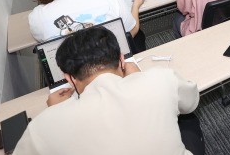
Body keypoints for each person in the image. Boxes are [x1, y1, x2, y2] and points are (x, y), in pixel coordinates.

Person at [14, 26, 204, 155]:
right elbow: (191, 102)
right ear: (122, 60)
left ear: (69, 79)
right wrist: (138, 78)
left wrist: (53, 112)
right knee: (185, 118)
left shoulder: (42, 127)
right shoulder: (162, 78)